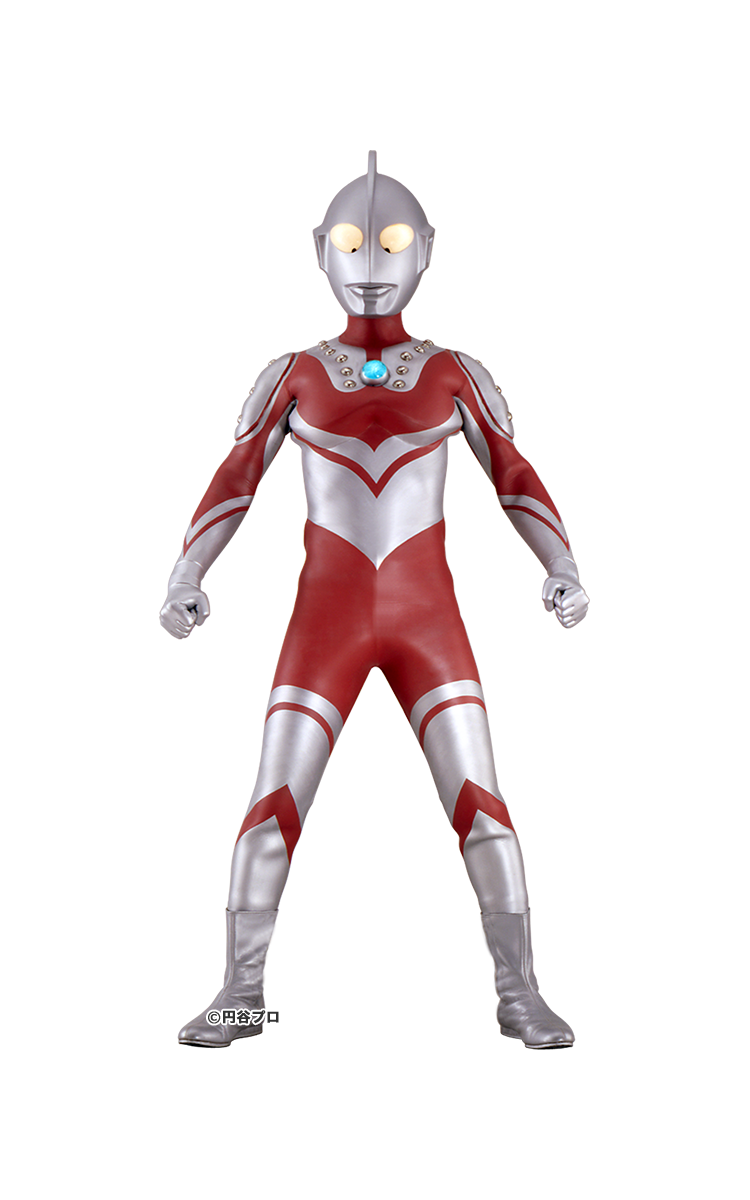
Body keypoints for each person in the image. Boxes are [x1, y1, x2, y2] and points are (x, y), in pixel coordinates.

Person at [160, 153, 589, 1049]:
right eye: (352, 243)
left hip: (428, 626)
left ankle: (521, 991)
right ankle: (241, 992)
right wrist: (187, 574)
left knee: (482, 806)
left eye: (391, 242)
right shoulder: (295, 374)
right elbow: (235, 481)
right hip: (327, 624)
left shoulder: (453, 373)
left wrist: (560, 563)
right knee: (273, 805)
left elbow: (514, 476)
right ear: (319, 248)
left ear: (427, 249)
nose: (369, 263)